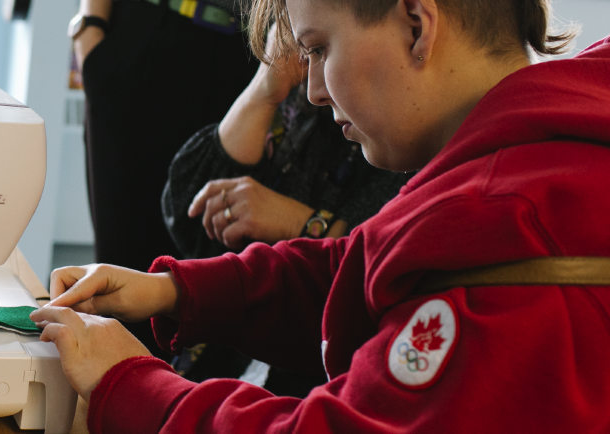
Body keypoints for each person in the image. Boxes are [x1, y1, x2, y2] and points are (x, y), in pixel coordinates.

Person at [32, 0, 610, 431]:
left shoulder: (513, 231)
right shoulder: (533, 149)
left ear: (417, 25)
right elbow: (367, 265)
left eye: (319, 50)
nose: (311, 89)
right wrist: (173, 292)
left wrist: (132, 385)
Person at [160, 28, 412, 396]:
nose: (314, 87)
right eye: (309, 50)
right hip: (227, 372)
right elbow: (192, 222)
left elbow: (390, 269)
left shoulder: (420, 137)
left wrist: (304, 223)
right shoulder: (305, 104)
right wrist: (266, 86)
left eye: (322, 48)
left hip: (312, 388)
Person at [74, 0, 259, 356]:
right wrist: (89, 26)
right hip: (145, 37)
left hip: (246, 58)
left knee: (212, 291)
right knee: (122, 281)